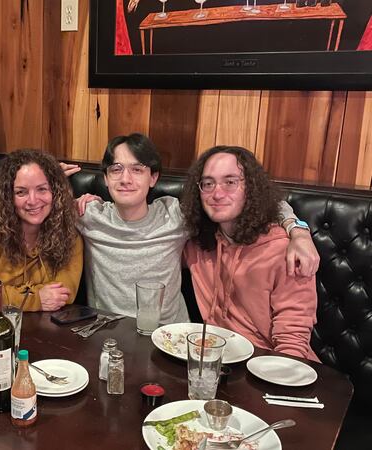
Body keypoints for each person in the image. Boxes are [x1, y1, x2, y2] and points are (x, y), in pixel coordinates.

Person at [74, 133, 319, 324]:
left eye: (137, 169)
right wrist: (56, 177)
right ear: (105, 178)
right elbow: (41, 207)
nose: (125, 179)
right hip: (107, 337)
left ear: (153, 178)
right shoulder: (88, 216)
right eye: (116, 169)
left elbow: (270, 203)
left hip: (169, 339)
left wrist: (299, 232)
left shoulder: (176, 217)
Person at [181, 145, 319, 360]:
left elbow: (293, 344)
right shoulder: (198, 245)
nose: (217, 193)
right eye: (208, 183)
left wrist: (298, 230)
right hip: (220, 365)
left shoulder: (287, 251)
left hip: (275, 369)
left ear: (251, 188)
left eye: (230, 182)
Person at [0, 149, 83, 312]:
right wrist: (33, 298)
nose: (32, 200)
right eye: (21, 192)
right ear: (7, 196)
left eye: (42, 189)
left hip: (47, 332)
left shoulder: (70, 237)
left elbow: (64, 293)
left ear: (55, 192)